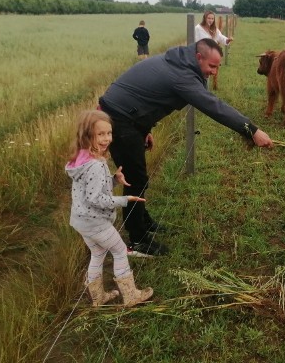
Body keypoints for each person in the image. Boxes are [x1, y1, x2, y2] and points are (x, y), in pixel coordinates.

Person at [98, 38, 273, 257]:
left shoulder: (179, 62)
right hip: (118, 120)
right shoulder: (182, 75)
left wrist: (144, 129)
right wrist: (252, 131)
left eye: (217, 66)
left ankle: (142, 221)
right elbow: (214, 106)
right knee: (135, 178)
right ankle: (137, 240)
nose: (215, 72)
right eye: (212, 66)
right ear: (198, 57)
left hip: (127, 117)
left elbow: (145, 94)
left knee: (137, 175)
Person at [65, 110, 154, 307]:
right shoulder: (95, 166)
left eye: (109, 133)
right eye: (100, 134)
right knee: (120, 251)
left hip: (82, 221)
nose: (107, 139)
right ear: (87, 135)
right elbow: (96, 198)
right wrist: (125, 199)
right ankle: (131, 295)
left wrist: (114, 180)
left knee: (98, 254)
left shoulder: (82, 159)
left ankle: (98, 298)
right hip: (95, 222)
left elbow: (92, 189)